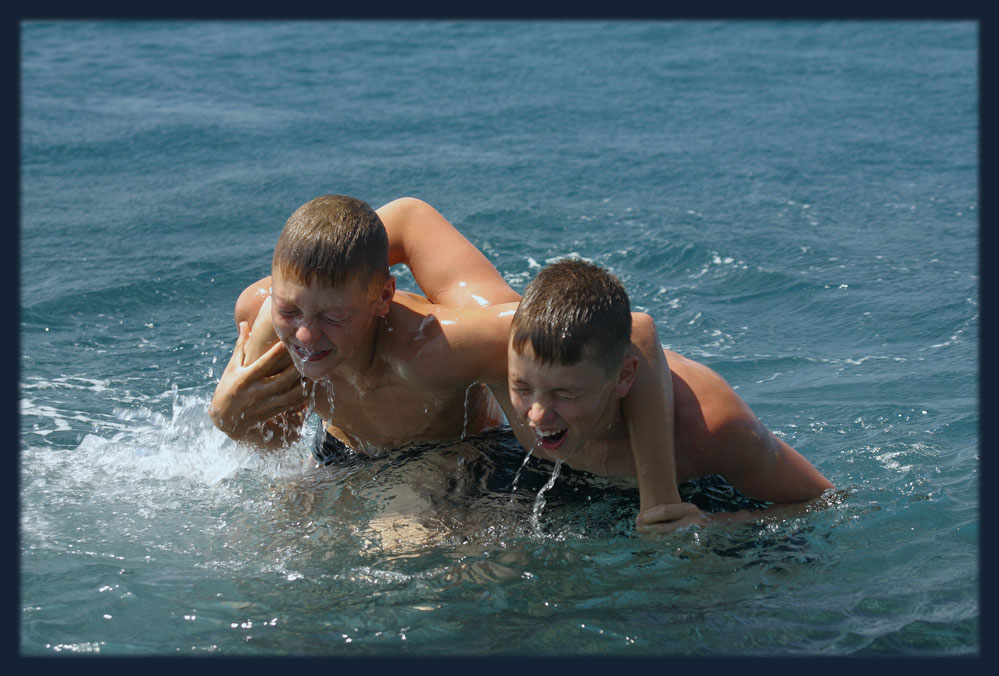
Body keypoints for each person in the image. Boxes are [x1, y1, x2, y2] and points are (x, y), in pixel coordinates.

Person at [491, 258, 835, 529]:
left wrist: (715, 524)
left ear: (623, 377)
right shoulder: (493, 359)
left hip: (697, 491)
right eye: (521, 386)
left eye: (565, 393)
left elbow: (826, 502)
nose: (537, 414)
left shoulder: (712, 428)